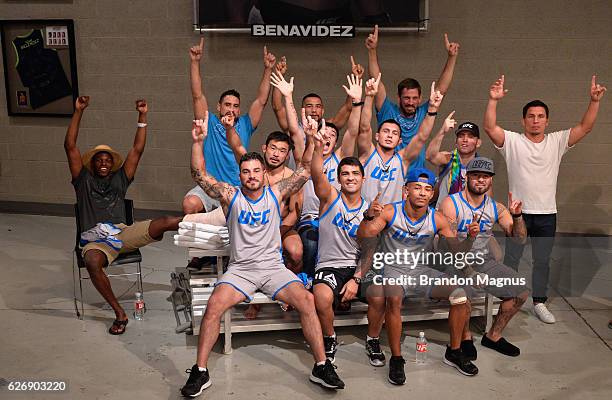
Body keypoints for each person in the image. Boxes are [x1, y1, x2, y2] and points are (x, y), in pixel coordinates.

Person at [181, 114, 345, 397]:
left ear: (262, 173)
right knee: (213, 307)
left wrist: (311, 140)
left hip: (272, 268)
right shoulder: (230, 195)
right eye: (246, 171)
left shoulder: (275, 193)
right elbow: (199, 174)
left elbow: (305, 169)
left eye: (256, 171)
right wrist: (198, 142)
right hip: (241, 270)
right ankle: (201, 371)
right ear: (240, 174)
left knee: (307, 300)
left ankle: (321, 365)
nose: (252, 176)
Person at [484, 74, 607, 324]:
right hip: (518, 214)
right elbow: (490, 128)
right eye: (531, 116)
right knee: (512, 259)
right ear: (523, 120)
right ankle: (508, 297)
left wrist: (593, 101)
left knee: (542, 261)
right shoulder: (513, 141)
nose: (536, 120)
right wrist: (493, 100)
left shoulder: (556, 141)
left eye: (540, 116)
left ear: (547, 120)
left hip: (546, 213)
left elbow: (585, 127)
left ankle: (539, 302)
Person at [64, 96, 181, 335]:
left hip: (122, 233)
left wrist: (142, 117)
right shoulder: (82, 181)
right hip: (95, 240)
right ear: (92, 165)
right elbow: (70, 146)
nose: (104, 163)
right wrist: (78, 112)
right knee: (92, 262)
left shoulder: (120, 178)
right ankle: (119, 313)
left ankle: (213, 222)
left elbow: (137, 149)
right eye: (99, 160)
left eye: (108, 160)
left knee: (166, 222)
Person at [357, 168, 479, 383]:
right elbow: (363, 237)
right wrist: (368, 216)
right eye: (417, 187)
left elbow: (458, 253)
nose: (422, 193)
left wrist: (469, 238)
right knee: (393, 298)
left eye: (428, 189)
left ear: (432, 194)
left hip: (420, 271)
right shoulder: (389, 212)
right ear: (406, 190)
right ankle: (396, 359)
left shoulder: (438, 219)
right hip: (393, 269)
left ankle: (454, 351)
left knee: (460, 294)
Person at [272, 71, 364, 278]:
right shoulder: (305, 156)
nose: (327, 136)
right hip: (310, 219)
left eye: (332, 135)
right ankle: (308, 284)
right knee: (311, 245)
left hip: (336, 218)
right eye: (324, 133)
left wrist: (357, 102)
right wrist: (288, 97)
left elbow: (353, 132)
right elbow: (295, 131)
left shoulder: (340, 157)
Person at [440, 157, 530, 357]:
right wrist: (470, 272)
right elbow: (451, 248)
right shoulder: (451, 204)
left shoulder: (495, 207)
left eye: (486, 177)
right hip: (453, 262)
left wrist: (517, 217)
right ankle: (465, 336)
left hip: (484, 262)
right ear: (466, 177)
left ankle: (493, 336)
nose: (481, 180)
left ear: (490, 180)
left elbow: (519, 240)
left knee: (521, 292)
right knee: (465, 292)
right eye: (476, 176)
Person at [182, 37, 276, 214]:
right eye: (227, 105)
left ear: (239, 110)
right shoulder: (208, 121)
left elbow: (261, 101)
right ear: (219, 107)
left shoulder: (246, 124)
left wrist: (268, 69)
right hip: (210, 186)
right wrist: (195, 62)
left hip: (237, 188)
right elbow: (197, 95)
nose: (231, 109)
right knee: (189, 204)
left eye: (235, 106)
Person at [224, 117, 304, 319]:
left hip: (281, 228)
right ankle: (255, 301)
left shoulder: (290, 176)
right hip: (250, 224)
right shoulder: (255, 167)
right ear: (265, 148)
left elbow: (295, 213)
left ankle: (286, 292)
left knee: (296, 252)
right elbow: (236, 145)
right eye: (273, 148)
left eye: (282, 151)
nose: (276, 154)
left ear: (288, 155)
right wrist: (229, 128)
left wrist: (275, 234)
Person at [311, 128, 369, 363]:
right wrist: (316, 147)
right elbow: (316, 174)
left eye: (355, 173)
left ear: (363, 178)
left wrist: (357, 278)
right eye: (345, 174)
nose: (351, 177)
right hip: (331, 265)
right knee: (322, 296)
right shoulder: (330, 197)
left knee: (383, 293)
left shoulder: (371, 208)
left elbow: (372, 250)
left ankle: (373, 339)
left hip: (357, 268)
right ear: (339, 178)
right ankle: (330, 337)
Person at [365, 25, 460, 169]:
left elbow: (442, 89)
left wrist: (452, 57)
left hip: (415, 179)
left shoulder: (424, 112)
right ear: (399, 98)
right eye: (406, 98)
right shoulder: (387, 110)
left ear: (420, 98)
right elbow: (376, 81)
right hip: (387, 175)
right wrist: (372, 51)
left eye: (415, 98)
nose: (411, 102)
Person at [358, 74, 444, 205]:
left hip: (391, 218)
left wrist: (432, 109)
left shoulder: (402, 160)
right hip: (364, 216)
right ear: (377, 136)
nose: (389, 135)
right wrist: (369, 97)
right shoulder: (368, 153)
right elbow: (364, 127)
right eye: (386, 131)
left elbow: (421, 137)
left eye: (394, 133)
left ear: (399, 141)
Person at [426, 115, 488, 208]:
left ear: (478, 143)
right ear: (456, 141)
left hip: (469, 217)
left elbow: (487, 200)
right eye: (461, 136)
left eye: (470, 137)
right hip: (443, 216)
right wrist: (442, 131)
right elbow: (430, 156)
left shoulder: (482, 167)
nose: (465, 140)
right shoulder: (449, 158)